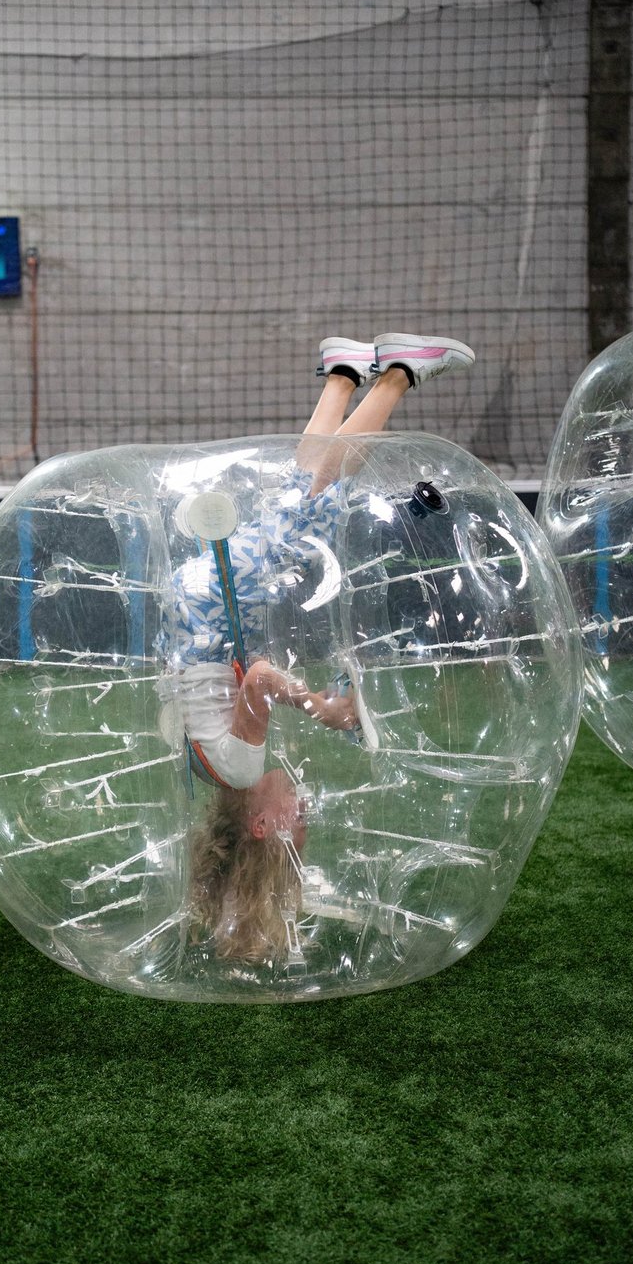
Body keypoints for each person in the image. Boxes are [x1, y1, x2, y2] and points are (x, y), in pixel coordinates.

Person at [158, 331, 476, 962]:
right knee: (304, 492)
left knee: (314, 505)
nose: (305, 806)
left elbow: (259, 679)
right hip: (201, 608)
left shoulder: (241, 769)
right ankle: (342, 376)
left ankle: (399, 373)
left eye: (296, 820)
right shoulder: (212, 771)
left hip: (212, 604)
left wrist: (321, 708)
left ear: (260, 823)